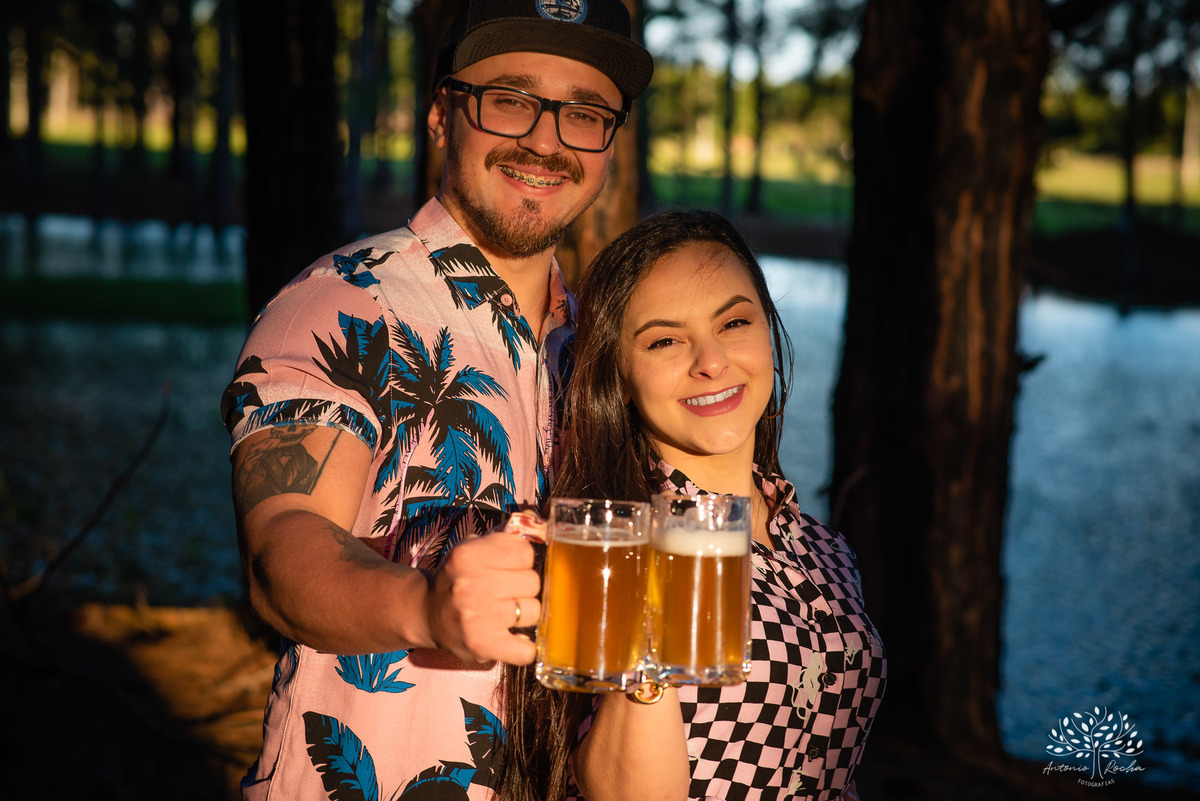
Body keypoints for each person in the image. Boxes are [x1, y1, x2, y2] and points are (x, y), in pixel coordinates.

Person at [218, 1, 652, 798]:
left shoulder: (598, 354)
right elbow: (284, 548)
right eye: (512, 99)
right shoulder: (344, 301)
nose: (548, 140)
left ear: (610, 145)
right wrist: (426, 607)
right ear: (442, 114)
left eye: (585, 113)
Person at [541, 209, 887, 800]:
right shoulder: (614, 541)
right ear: (619, 373)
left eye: (734, 323)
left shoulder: (823, 547)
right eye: (666, 339)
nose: (711, 361)